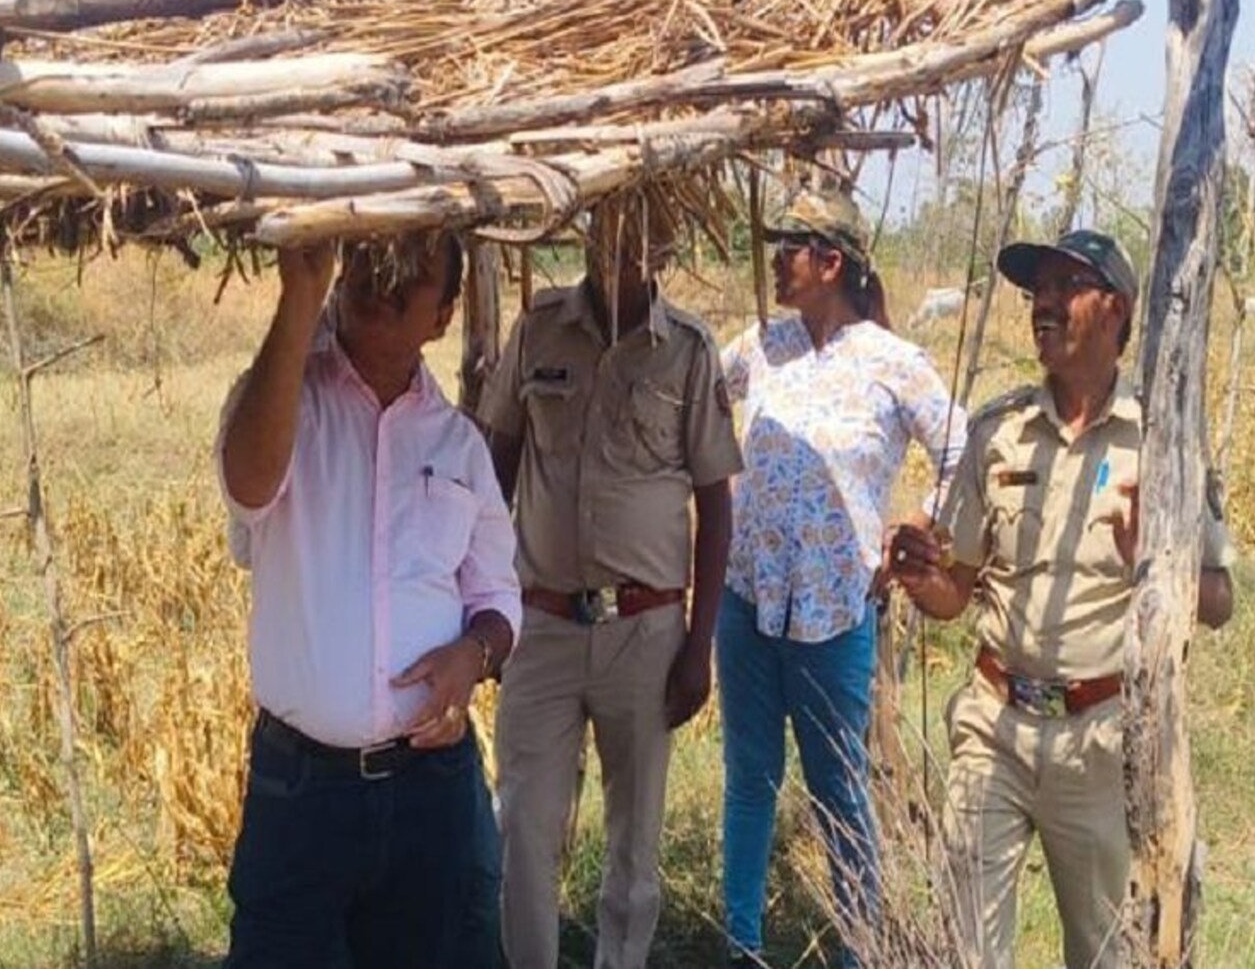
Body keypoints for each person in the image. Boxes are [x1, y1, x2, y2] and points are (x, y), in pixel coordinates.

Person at [884, 229, 1236, 969]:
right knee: (965, 948)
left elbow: (1220, 600)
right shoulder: (999, 431)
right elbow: (960, 589)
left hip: (1100, 740)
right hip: (994, 724)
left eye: (1064, 287)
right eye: (1036, 289)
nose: (1042, 303)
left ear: (1115, 309)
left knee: (1104, 950)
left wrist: (1159, 556)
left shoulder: (1161, 442)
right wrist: (924, 577)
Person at [217, 234, 522, 968]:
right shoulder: (284, 403)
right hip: (302, 793)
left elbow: (498, 598)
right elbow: (248, 485)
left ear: (445, 314)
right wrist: (299, 300)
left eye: (413, 271)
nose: (384, 279)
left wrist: (473, 655)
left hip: (430, 789)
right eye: (371, 259)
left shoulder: (459, 444)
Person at [479, 206, 742, 969]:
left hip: (645, 632)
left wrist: (699, 648)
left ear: (664, 243)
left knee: (635, 840)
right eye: (608, 228)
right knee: (522, 826)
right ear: (587, 233)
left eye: (640, 232)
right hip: (543, 626)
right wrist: (481, 603)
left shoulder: (687, 350)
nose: (622, 247)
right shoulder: (537, 331)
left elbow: (715, 505)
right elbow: (494, 467)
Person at [716, 186, 966, 968]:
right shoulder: (759, 347)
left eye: (788, 248)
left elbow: (964, 449)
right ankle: (741, 942)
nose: (775, 263)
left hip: (837, 614)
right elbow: (695, 405)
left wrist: (917, 531)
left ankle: (860, 946)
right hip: (749, 600)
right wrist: (720, 495)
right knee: (749, 776)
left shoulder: (892, 363)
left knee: (840, 789)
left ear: (830, 262)